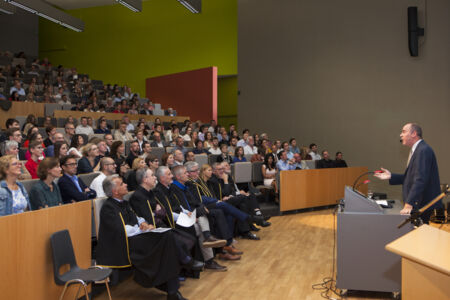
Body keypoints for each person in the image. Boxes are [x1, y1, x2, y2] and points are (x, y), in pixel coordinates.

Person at [96, 175, 188, 300]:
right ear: (115, 191)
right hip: (126, 243)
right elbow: (120, 230)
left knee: (168, 239)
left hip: (138, 236)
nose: (126, 185)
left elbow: (136, 217)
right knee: (167, 239)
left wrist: (143, 223)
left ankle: (173, 290)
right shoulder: (109, 208)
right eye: (122, 184)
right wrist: (139, 228)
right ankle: (184, 263)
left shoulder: (124, 202)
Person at [374, 123, 443, 223]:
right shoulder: (417, 150)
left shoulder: (423, 150)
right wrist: (391, 176)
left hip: (421, 202)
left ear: (414, 133)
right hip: (419, 201)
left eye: (403, 132)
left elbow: (420, 179)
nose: (401, 135)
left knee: (419, 233)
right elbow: (412, 177)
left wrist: (409, 203)